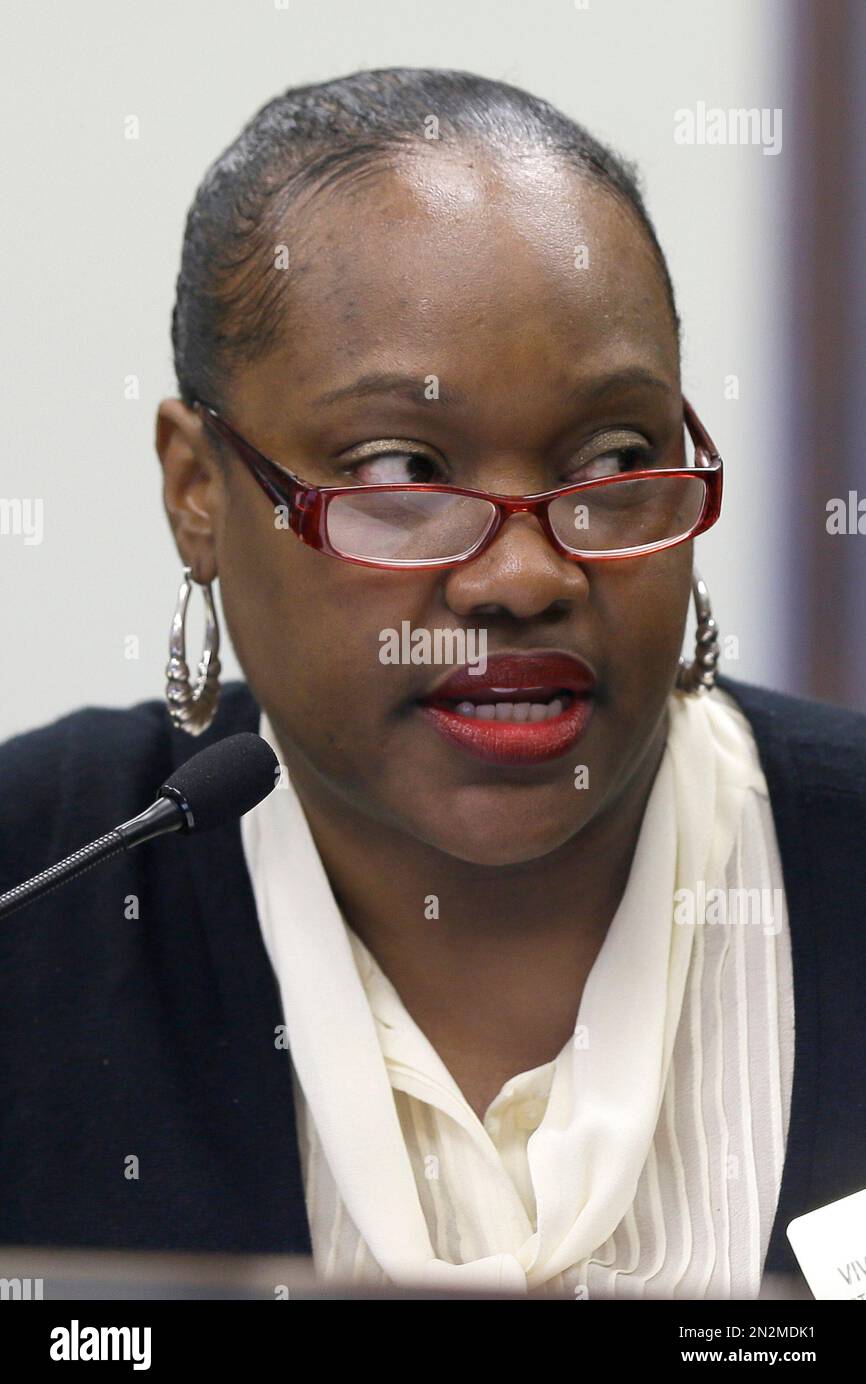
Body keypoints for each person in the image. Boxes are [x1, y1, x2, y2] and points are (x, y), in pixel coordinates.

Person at [1, 67, 864, 1300]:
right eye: (400, 469)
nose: (521, 576)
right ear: (198, 491)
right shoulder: (35, 898)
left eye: (616, 456)